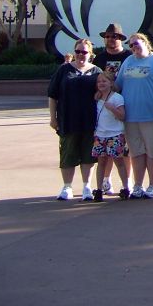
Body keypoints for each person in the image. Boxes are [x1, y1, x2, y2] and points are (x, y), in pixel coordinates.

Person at [114, 32, 153, 198]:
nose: (133, 47)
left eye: (136, 43)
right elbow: (117, 85)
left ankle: (152, 185)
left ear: (145, 42)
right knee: (136, 153)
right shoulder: (128, 61)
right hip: (131, 117)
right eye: (130, 45)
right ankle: (138, 185)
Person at [47, 37, 101, 201]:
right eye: (77, 51)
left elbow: (104, 91)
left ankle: (86, 187)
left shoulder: (96, 71)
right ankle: (67, 187)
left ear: (90, 53)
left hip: (90, 121)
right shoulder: (64, 70)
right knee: (68, 154)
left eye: (84, 52)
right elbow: (52, 95)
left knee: (88, 155)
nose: (80, 55)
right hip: (68, 120)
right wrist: (53, 118)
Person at [92, 71, 130, 200]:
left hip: (115, 134)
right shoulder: (97, 98)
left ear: (111, 83)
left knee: (119, 161)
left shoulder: (117, 98)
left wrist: (112, 108)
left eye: (104, 81)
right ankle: (98, 189)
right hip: (100, 134)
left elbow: (122, 116)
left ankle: (125, 188)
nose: (101, 84)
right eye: (99, 82)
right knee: (101, 162)